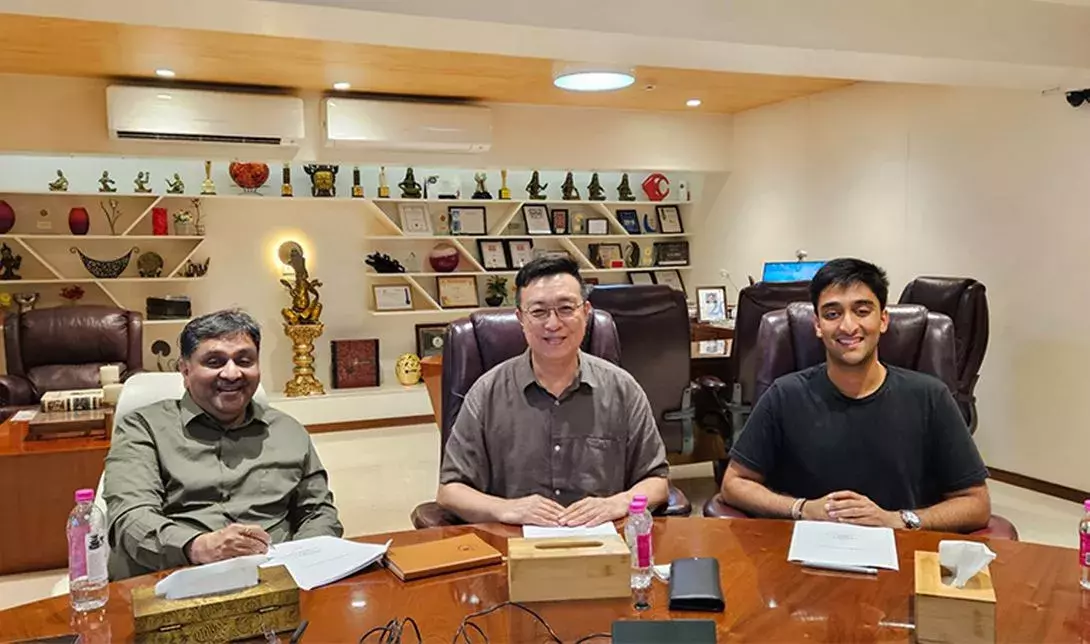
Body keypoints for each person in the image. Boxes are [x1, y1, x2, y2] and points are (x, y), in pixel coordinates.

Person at [720, 258, 991, 533]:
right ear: (817, 325)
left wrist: (897, 520)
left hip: (901, 556)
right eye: (832, 314)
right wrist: (802, 509)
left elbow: (976, 503)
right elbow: (734, 483)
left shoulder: (931, 397)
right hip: (803, 556)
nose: (848, 327)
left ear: (883, 319)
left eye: (862, 311)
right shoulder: (785, 395)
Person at [104, 309, 342, 579]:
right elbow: (129, 520)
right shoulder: (143, 428)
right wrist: (198, 547)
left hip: (278, 581)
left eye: (244, 360)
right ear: (185, 369)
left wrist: (301, 561)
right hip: (176, 579)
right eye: (214, 361)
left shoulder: (288, 431)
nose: (232, 373)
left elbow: (319, 513)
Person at [437, 256, 669, 527]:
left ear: (586, 312)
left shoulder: (623, 389)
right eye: (538, 312)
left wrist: (615, 503)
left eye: (566, 308)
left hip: (604, 547)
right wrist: (506, 509)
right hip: (514, 547)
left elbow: (657, 482)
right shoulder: (487, 393)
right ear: (521, 319)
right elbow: (450, 491)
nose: (553, 324)